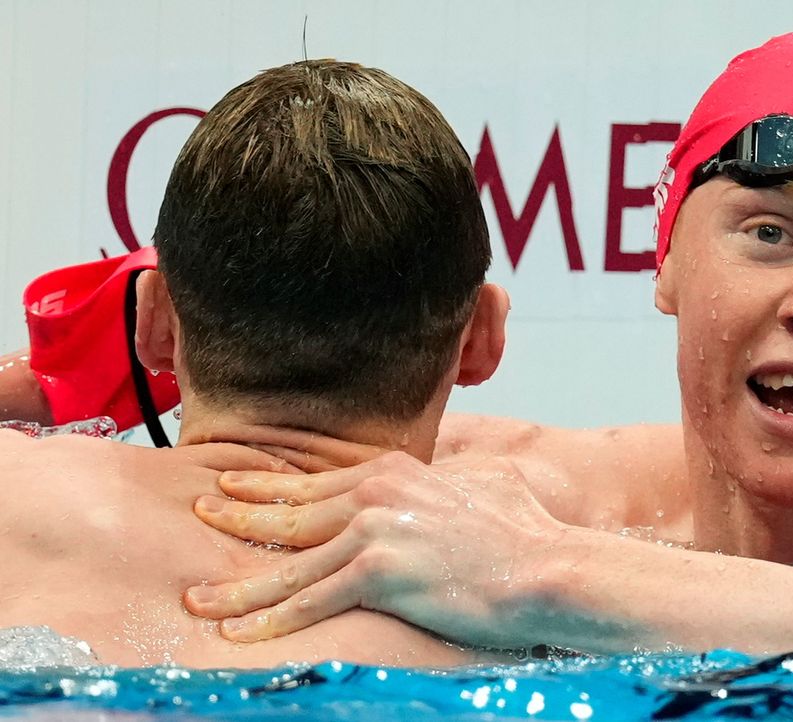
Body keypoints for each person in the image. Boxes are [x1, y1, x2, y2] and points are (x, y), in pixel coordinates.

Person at [5, 22, 793, 655]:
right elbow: (300, 427)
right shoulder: (574, 489)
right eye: (766, 231)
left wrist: (555, 581)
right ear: (663, 266)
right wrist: (78, 376)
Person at [0, 59, 515, 667]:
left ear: (154, 323)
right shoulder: (536, 582)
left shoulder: (18, 494)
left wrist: (47, 386)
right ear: (482, 337)